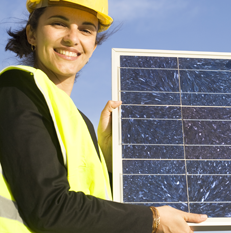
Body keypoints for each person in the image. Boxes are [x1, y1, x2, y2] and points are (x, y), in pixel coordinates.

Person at [0, 0, 207, 232]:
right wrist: (152, 219)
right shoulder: (16, 88)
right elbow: (50, 208)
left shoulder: (78, 119)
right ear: (32, 34)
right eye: (59, 23)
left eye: (86, 29)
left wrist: (108, 159)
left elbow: (95, 209)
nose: (72, 38)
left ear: (94, 45)